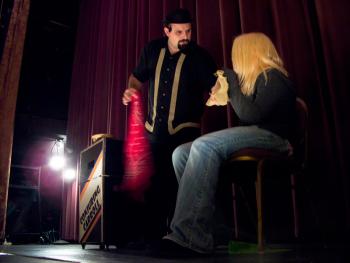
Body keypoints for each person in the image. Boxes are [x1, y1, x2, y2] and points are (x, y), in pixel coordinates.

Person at [160, 32, 296, 255]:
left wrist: (231, 81)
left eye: (236, 55)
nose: (234, 61)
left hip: (275, 138)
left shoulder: (274, 77)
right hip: (258, 134)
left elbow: (250, 115)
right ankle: (214, 232)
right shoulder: (256, 82)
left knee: (204, 145)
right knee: (180, 153)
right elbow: (247, 118)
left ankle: (189, 236)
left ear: (248, 53)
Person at [122, 8, 217, 240]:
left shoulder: (200, 56)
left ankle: (181, 237)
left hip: (185, 132)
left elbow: (215, 86)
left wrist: (218, 91)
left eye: (189, 31)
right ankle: (152, 238)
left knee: (180, 186)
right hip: (154, 131)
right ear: (167, 31)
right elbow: (137, 77)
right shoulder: (152, 50)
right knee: (154, 187)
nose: (185, 35)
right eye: (179, 32)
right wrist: (131, 90)